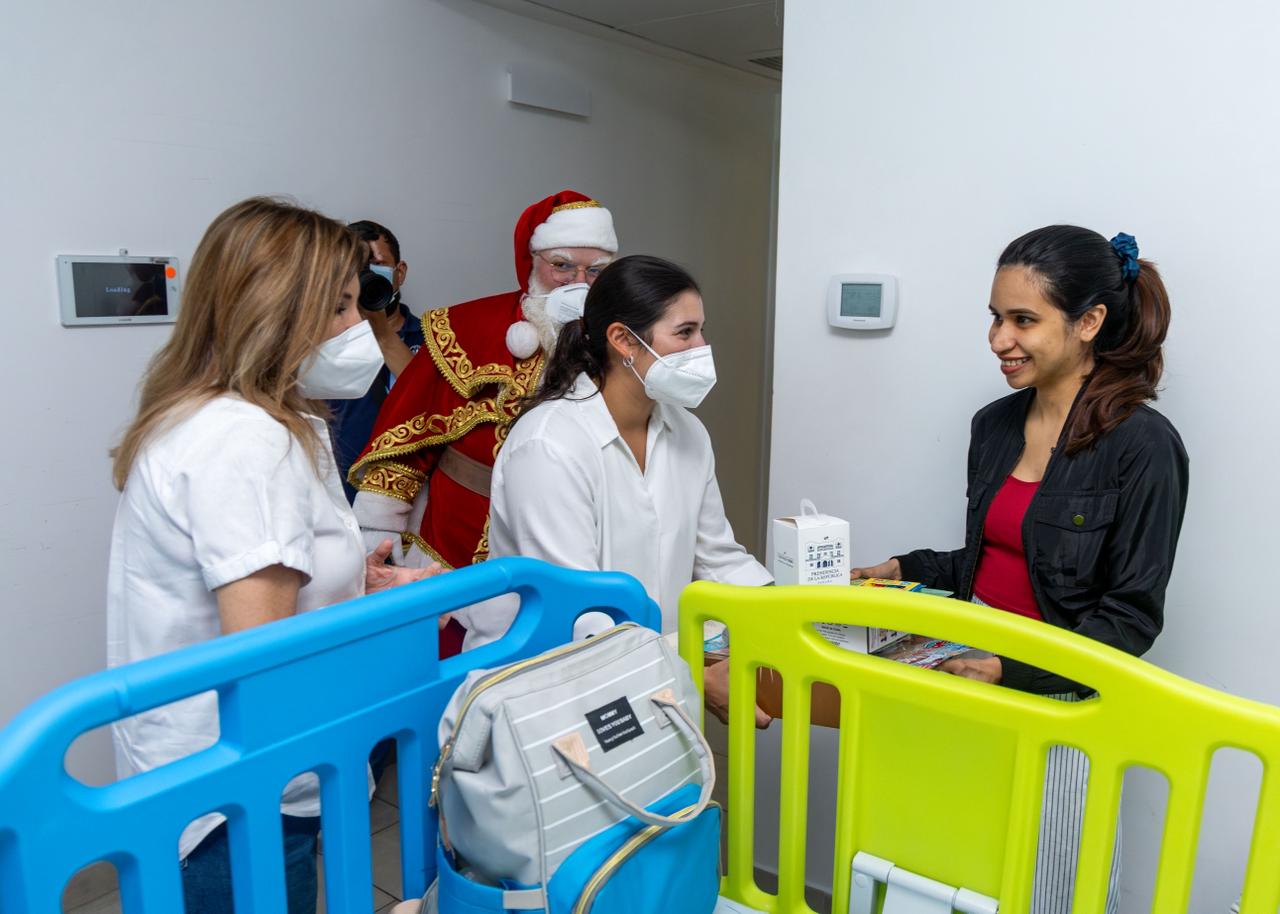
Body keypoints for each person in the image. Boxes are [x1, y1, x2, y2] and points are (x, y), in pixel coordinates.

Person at [107, 197, 441, 914]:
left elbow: (257, 586)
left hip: (220, 777)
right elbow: (265, 656)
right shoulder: (245, 439)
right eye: (339, 308)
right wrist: (390, 619)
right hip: (239, 799)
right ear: (274, 314)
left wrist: (352, 582)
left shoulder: (243, 415)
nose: (359, 328)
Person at [853, 225, 1189, 914]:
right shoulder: (995, 425)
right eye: (995, 317)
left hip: (1060, 701)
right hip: (967, 674)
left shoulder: (1143, 446)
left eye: (1023, 320)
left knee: (1049, 889)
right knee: (949, 872)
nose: (998, 338)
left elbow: (1129, 618)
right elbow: (998, 558)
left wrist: (1010, 669)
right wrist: (901, 567)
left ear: (1089, 322)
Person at [463, 254, 773, 721]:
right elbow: (580, 615)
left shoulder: (687, 433)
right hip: (546, 696)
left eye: (702, 331)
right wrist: (691, 674)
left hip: (646, 678)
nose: (702, 348)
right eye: (685, 333)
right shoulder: (549, 445)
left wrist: (795, 619)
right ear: (623, 340)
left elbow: (719, 559)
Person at [349, 190, 617, 653]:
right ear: (531, 263)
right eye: (562, 266)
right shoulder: (464, 329)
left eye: (596, 271)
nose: (579, 283)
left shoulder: (626, 340)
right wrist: (378, 545)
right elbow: (402, 451)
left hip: (580, 545)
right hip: (452, 560)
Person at [328, 219, 425, 503]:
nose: (367, 275)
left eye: (378, 264)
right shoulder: (325, 338)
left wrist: (380, 330)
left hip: (408, 493)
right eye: (358, 268)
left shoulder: (433, 337)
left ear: (399, 272)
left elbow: (430, 403)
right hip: (339, 494)